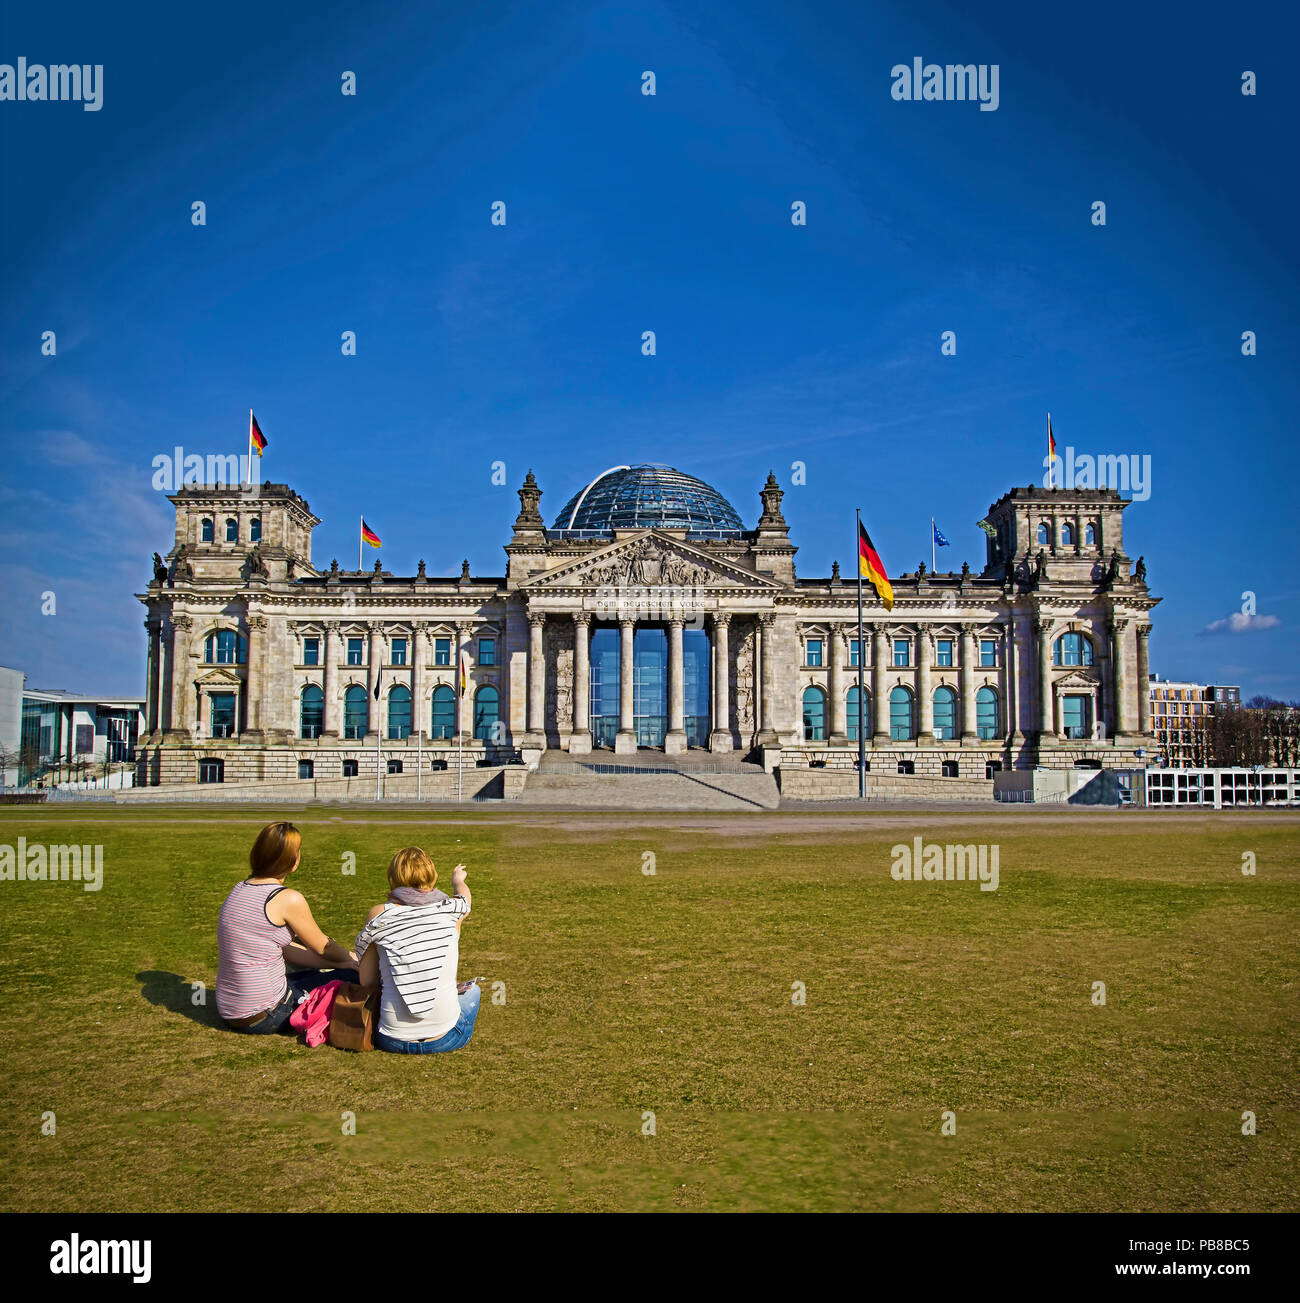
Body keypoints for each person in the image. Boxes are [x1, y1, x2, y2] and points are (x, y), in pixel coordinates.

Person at [216, 820, 358, 1034]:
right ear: (292, 860)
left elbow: (286, 950)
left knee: (329, 969)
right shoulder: (287, 899)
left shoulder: (239, 890)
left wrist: (345, 962)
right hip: (267, 1014)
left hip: (232, 1012)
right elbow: (324, 948)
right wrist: (352, 960)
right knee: (354, 977)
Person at [356, 846, 478, 1054]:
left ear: (393, 877)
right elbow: (465, 898)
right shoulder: (451, 910)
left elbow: (367, 981)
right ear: (431, 875)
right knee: (473, 990)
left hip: (390, 1038)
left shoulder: (379, 915)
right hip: (446, 1037)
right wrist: (458, 880)